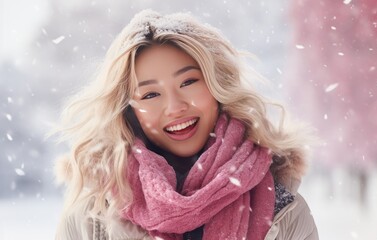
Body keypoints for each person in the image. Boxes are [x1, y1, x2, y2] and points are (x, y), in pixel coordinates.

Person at [54, 9, 318, 240]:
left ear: (217, 87)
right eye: (150, 95)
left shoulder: (284, 212)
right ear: (129, 112)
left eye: (188, 82)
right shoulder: (92, 218)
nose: (175, 107)